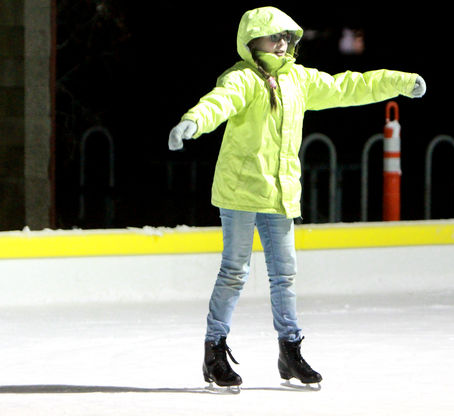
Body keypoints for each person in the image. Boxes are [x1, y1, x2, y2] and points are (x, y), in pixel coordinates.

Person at [168, 6, 426, 389]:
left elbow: (347, 87)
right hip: (240, 192)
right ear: (253, 41)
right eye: (276, 37)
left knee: (284, 276)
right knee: (234, 273)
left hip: (281, 196)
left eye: (287, 37)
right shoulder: (242, 79)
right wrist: (194, 120)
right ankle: (214, 352)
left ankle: (290, 351)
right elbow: (219, 101)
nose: (283, 43)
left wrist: (399, 82)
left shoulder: (298, 80)